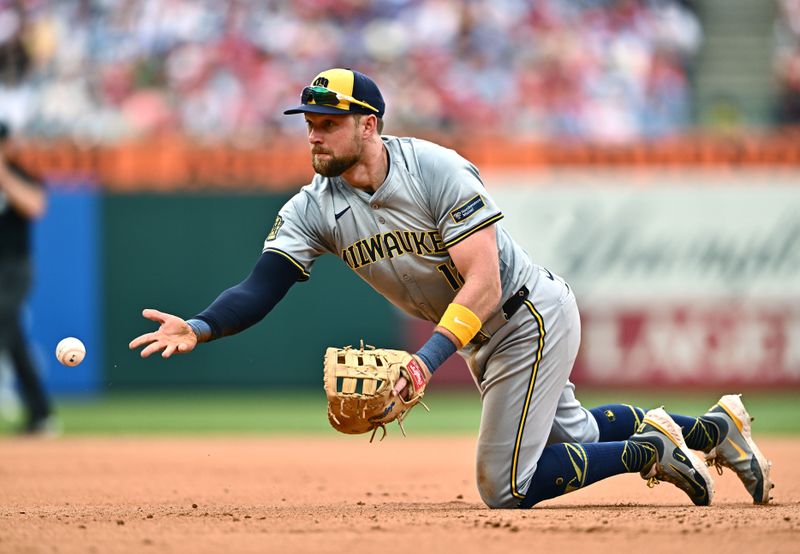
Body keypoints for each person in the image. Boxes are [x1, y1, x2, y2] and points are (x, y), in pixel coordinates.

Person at [130, 68, 773, 508]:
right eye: (309, 120)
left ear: (369, 125)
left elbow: (485, 280)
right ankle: (712, 431)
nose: (314, 132)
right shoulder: (313, 207)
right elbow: (261, 285)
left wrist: (425, 362)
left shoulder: (433, 169)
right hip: (481, 336)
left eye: (329, 120)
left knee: (505, 486)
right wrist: (202, 324)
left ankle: (646, 452)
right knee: (572, 442)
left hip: (526, 316)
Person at [0, 120, 56, 435]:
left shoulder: (19, 174)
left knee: (3, 321)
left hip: (14, 267)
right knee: (15, 340)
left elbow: (35, 206)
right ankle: (41, 414)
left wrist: (3, 174)